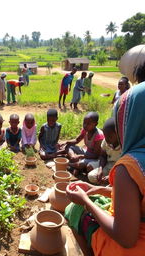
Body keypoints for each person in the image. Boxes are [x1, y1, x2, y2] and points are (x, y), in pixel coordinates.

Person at [65, 78, 145, 256]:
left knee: (75, 210)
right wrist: (95, 189)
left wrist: (85, 201)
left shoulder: (131, 167)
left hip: (131, 248)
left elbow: (126, 238)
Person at [65, 112, 104, 176]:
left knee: (83, 165)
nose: (85, 125)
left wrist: (80, 156)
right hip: (86, 153)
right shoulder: (85, 130)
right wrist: (66, 142)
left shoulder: (99, 136)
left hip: (94, 158)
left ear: (95, 124)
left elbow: (96, 155)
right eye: (84, 123)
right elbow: (77, 140)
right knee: (69, 147)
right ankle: (74, 162)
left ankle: (69, 164)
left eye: (88, 124)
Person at [87, 117, 121, 184]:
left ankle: (110, 183)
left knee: (120, 180)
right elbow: (103, 156)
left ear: (118, 134)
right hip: (109, 165)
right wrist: (100, 170)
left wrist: (111, 176)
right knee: (91, 176)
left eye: (110, 137)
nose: (107, 139)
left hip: (119, 169)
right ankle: (108, 182)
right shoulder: (105, 141)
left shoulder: (124, 145)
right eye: (105, 136)